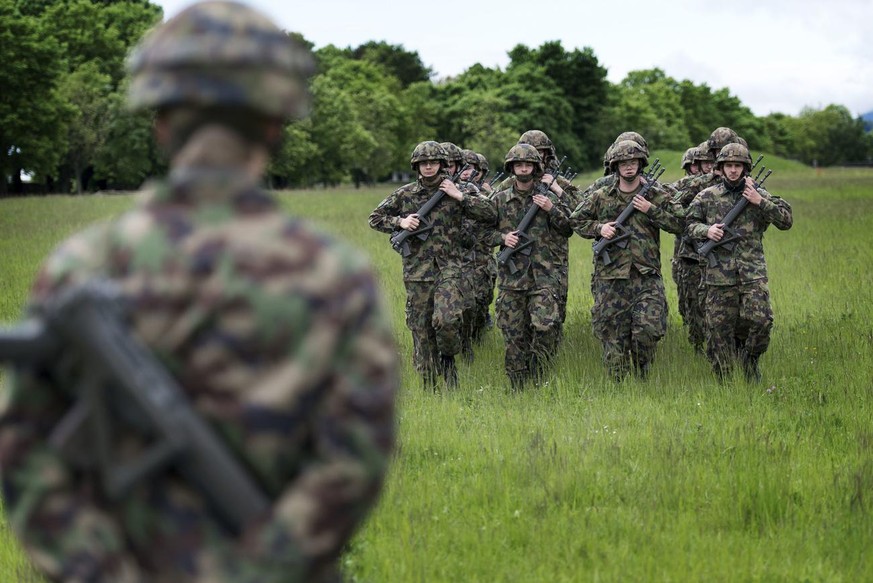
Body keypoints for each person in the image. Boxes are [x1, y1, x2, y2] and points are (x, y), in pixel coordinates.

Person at [0, 3, 399, 582]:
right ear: (275, 122)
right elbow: (353, 464)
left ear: (159, 118)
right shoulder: (337, 275)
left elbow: (24, 453)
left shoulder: (83, 265)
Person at [369, 141, 495, 388]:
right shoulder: (406, 194)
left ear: (442, 164)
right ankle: (431, 387)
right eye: (424, 163)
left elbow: (491, 213)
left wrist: (459, 196)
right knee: (422, 331)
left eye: (433, 162)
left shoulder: (458, 190)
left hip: (450, 268)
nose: (428, 167)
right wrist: (400, 222)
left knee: (447, 320)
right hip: (417, 272)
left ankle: (448, 358)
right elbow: (375, 218)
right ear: (417, 166)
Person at [570, 139, 683, 380]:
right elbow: (576, 220)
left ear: (640, 164)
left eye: (633, 162)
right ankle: (618, 386)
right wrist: (600, 228)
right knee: (612, 334)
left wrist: (650, 209)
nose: (629, 167)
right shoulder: (601, 195)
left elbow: (681, 223)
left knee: (648, 330)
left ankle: (643, 372)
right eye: (623, 163)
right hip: (610, 278)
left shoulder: (655, 194)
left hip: (646, 276)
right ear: (616, 166)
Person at [685, 143, 793, 381]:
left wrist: (759, 201)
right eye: (729, 166)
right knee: (717, 331)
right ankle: (723, 382)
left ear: (746, 168)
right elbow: (688, 224)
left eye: (738, 166)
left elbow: (786, 221)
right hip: (717, 275)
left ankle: (750, 360)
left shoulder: (758, 193)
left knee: (762, 322)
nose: (733, 171)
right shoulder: (706, 196)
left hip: (752, 273)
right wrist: (707, 230)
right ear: (720, 168)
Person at [490, 143, 573, 389]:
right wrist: (502, 238)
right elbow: (477, 232)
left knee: (546, 328)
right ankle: (517, 387)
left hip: (544, 276)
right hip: (511, 279)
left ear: (535, 167)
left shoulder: (546, 196)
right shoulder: (500, 199)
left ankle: (540, 376)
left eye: (528, 164)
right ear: (512, 168)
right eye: (519, 164)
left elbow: (569, 227)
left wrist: (552, 208)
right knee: (514, 336)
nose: (523, 169)